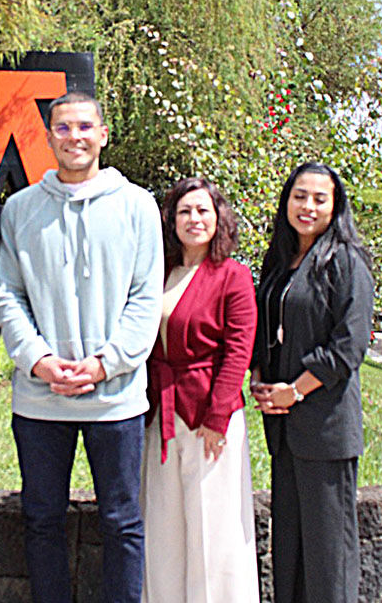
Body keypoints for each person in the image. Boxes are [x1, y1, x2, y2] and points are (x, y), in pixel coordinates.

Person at [0, 91, 163, 603]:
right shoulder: (20, 210)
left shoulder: (138, 206)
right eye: (63, 128)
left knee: (122, 521)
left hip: (116, 398)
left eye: (85, 127)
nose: (75, 137)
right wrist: (40, 362)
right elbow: (8, 295)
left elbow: (145, 296)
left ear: (103, 134)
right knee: (42, 519)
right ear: (48, 138)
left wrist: (103, 364)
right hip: (40, 398)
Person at [249, 162, 374, 603]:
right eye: (300, 196)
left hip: (325, 430)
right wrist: (261, 378)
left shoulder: (347, 261)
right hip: (283, 431)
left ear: (335, 206)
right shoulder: (280, 260)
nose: (308, 206)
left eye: (320, 198)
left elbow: (348, 346)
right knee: (289, 555)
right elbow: (263, 329)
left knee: (328, 561)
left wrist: (295, 390)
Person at [141, 177, 260, 603]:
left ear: (219, 219)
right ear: (171, 220)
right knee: (164, 525)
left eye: (203, 211)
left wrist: (217, 417)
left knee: (214, 530)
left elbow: (238, 351)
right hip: (161, 412)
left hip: (210, 416)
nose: (194, 219)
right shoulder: (159, 272)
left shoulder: (233, 276)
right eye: (185, 211)